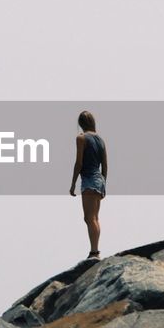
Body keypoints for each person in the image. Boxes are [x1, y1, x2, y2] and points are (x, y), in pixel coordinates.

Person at [69, 110, 107, 259]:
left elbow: (78, 163)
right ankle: (95, 250)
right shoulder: (101, 140)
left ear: (80, 124)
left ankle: (94, 251)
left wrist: (73, 183)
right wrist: (104, 183)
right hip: (99, 180)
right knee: (95, 218)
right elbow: (105, 164)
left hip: (89, 180)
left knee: (89, 218)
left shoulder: (81, 138)